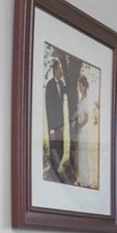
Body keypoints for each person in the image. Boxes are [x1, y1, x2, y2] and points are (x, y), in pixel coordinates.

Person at [43, 54, 77, 184]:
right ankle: (53, 173)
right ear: (54, 71)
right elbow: (49, 107)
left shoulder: (61, 83)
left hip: (61, 125)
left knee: (61, 148)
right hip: (53, 126)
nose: (61, 72)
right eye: (59, 70)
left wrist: (68, 77)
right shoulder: (50, 85)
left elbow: (67, 90)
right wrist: (51, 128)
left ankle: (56, 170)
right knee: (54, 149)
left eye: (62, 70)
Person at [71, 72, 100, 189]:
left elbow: (87, 117)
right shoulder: (81, 99)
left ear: (85, 86)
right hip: (80, 130)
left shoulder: (86, 100)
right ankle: (82, 179)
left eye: (81, 85)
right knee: (80, 155)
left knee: (84, 155)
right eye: (79, 85)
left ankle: (85, 181)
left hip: (83, 130)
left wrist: (79, 126)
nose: (79, 87)